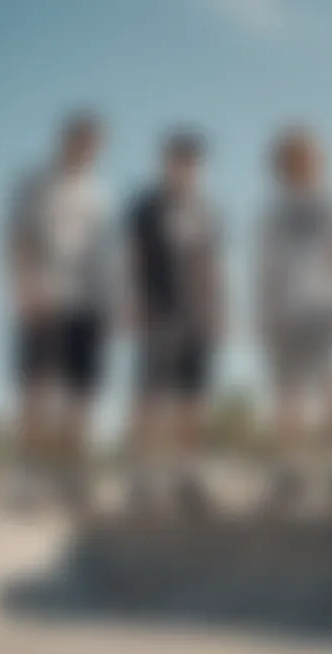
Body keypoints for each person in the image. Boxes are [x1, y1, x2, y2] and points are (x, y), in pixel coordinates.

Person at [5, 110, 111, 512]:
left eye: (96, 145)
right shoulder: (34, 183)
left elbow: (104, 254)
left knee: (81, 395)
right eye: (82, 142)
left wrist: (109, 304)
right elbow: (18, 236)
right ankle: (29, 477)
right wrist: (26, 286)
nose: (89, 150)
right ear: (66, 140)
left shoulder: (99, 193)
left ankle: (69, 477)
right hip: (45, 299)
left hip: (89, 305)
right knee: (37, 390)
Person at [255, 127, 332, 514]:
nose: (297, 165)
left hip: (324, 309)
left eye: (304, 157)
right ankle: (290, 475)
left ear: (316, 160)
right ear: (280, 166)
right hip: (285, 314)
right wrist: (264, 314)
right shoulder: (273, 212)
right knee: (287, 397)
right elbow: (265, 268)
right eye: (289, 159)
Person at [124, 130, 225, 514]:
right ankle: (141, 478)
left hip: (197, 317)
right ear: (166, 163)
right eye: (178, 159)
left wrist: (218, 312)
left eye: (192, 161)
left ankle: (187, 476)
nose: (185, 167)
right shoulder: (144, 208)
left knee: (193, 401)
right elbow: (132, 259)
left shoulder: (209, 211)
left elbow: (212, 267)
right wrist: (132, 303)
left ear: (198, 167)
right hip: (157, 313)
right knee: (148, 398)